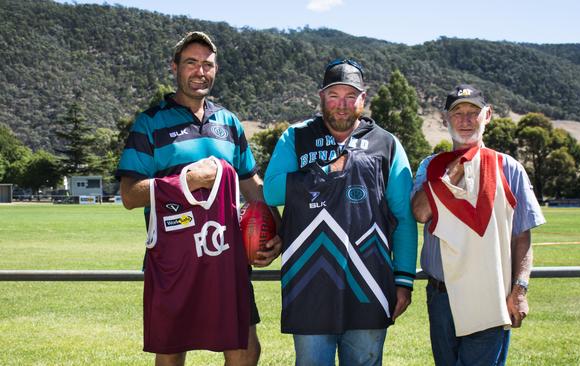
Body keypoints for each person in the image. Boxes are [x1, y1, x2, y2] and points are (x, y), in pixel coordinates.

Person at [115, 31, 281, 366]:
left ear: (216, 71)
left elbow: (252, 187)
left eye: (207, 65)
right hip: (173, 258)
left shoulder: (229, 123)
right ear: (174, 67)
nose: (200, 71)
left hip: (226, 255)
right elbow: (130, 195)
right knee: (172, 351)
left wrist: (278, 232)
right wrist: (185, 181)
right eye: (191, 63)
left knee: (246, 350)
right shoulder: (150, 123)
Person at [263, 58, 418, 365]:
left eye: (351, 96)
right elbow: (272, 190)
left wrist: (403, 280)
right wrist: (326, 170)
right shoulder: (296, 137)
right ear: (321, 97)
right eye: (334, 96)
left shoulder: (386, 144)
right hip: (310, 283)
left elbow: (403, 217)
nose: (342, 105)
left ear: (364, 98)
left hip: (369, 284)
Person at [411, 84, 546, 366]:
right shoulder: (430, 166)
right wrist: (448, 176)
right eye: (457, 113)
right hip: (441, 297)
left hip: (490, 293)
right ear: (445, 119)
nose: (465, 120)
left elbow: (521, 236)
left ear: (488, 116)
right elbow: (421, 214)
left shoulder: (509, 167)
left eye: (473, 112)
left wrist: (519, 290)